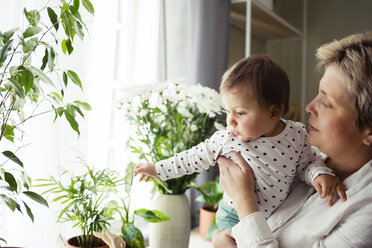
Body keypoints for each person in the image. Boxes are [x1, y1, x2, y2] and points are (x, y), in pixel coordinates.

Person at [134, 55, 344, 231]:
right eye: (228, 111)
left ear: (274, 112)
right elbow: (192, 158)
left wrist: (320, 174)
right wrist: (157, 169)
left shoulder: (296, 134)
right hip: (233, 216)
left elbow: (306, 164)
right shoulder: (227, 138)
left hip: (274, 218)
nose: (230, 120)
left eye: (240, 113)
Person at [212, 31, 372, 247]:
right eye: (318, 93)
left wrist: (244, 201)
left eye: (326, 102)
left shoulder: (366, 212)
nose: (309, 107)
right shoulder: (298, 153)